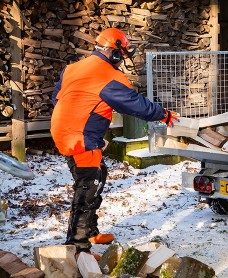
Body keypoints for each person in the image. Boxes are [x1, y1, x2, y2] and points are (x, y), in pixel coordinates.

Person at [50, 28, 177, 258]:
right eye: (123, 55)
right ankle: (79, 247)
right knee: (87, 187)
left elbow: (57, 96)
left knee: (98, 174)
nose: (122, 61)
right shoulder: (107, 75)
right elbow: (133, 103)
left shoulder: (74, 68)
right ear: (114, 53)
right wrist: (163, 114)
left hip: (67, 131)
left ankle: (91, 230)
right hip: (80, 136)